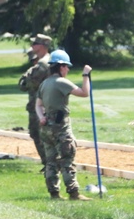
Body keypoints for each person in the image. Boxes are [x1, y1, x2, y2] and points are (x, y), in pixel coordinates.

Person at [36, 49, 92, 200]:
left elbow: (38, 105)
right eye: (66, 66)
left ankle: (54, 193)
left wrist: (41, 117)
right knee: (67, 159)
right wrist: (85, 75)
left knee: (51, 161)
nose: (67, 69)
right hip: (61, 127)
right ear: (61, 67)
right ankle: (74, 193)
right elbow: (84, 93)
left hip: (46, 127)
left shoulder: (44, 83)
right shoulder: (61, 82)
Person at [18, 33, 53, 166]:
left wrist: (25, 77)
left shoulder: (42, 65)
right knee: (40, 135)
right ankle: (49, 164)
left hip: (40, 106)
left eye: (35, 44)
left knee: (39, 135)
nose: (32, 46)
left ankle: (49, 164)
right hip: (43, 105)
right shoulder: (47, 61)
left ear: (42, 46)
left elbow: (24, 84)